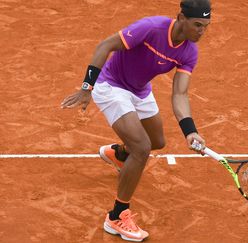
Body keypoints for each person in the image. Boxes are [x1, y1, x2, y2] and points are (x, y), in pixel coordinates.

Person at [61, 0, 211, 241]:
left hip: (140, 90)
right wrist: (86, 87)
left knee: (156, 141)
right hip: (111, 85)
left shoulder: (190, 51)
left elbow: (180, 94)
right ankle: (117, 217)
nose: (201, 31)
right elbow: (105, 45)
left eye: (205, 26)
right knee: (141, 148)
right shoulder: (151, 27)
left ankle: (119, 154)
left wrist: (190, 131)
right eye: (197, 25)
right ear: (181, 18)